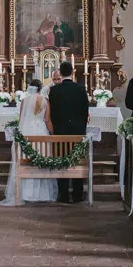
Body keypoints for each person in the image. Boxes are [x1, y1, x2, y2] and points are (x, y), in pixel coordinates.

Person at [1, 78, 58, 206]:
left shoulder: (25, 101)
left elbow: (21, 119)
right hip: (41, 131)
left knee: (27, 158)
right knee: (41, 159)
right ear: (40, 88)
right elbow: (47, 120)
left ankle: (26, 193)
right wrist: (53, 133)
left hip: (27, 131)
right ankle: (43, 194)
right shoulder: (45, 101)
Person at [47, 60, 90, 204]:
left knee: (61, 160)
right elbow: (85, 111)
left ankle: (63, 194)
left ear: (61, 72)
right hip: (77, 130)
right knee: (77, 160)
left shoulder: (54, 90)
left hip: (60, 130)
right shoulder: (81, 89)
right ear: (72, 72)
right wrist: (81, 126)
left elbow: (51, 113)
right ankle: (78, 194)